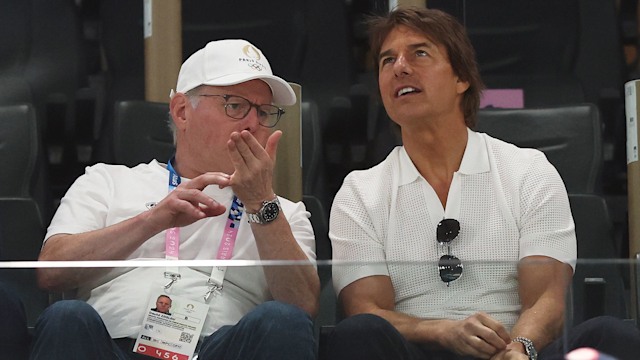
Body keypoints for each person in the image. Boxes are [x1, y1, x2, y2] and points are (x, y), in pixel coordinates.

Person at [326, 6, 640, 360]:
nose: (399, 67)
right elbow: (367, 310)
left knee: (612, 335)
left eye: (420, 53)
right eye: (387, 60)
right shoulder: (359, 192)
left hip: (514, 349)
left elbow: (547, 301)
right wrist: (443, 331)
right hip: (416, 353)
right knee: (358, 334)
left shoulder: (528, 170)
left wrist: (520, 347)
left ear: (462, 79)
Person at [30, 39, 320, 360]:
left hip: (221, 348)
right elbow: (51, 271)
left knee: (282, 319)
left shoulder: (283, 212)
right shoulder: (107, 180)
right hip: (113, 345)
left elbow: (302, 309)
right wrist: (153, 220)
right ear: (182, 112)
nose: (253, 123)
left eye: (264, 111)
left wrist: (260, 201)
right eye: (235, 105)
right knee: (66, 317)